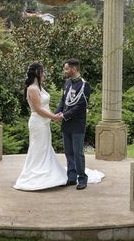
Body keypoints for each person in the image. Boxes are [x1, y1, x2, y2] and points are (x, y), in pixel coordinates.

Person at [13, 62, 67, 190]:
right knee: (38, 147)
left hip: (44, 122)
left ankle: (47, 169)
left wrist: (54, 115)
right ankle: (36, 172)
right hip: (38, 123)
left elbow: (45, 106)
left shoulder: (40, 88)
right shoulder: (32, 88)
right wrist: (54, 117)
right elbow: (38, 109)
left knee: (45, 147)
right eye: (42, 72)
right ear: (37, 73)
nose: (44, 75)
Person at [56, 58, 93, 190]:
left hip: (77, 124)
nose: (64, 71)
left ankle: (82, 178)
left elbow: (80, 106)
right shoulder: (67, 83)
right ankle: (71, 177)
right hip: (66, 124)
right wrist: (57, 113)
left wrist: (64, 115)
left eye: (66, 69)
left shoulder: (84, 85)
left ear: (74, 69)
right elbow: (63, 100)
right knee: (68, 152)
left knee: (78, 153)